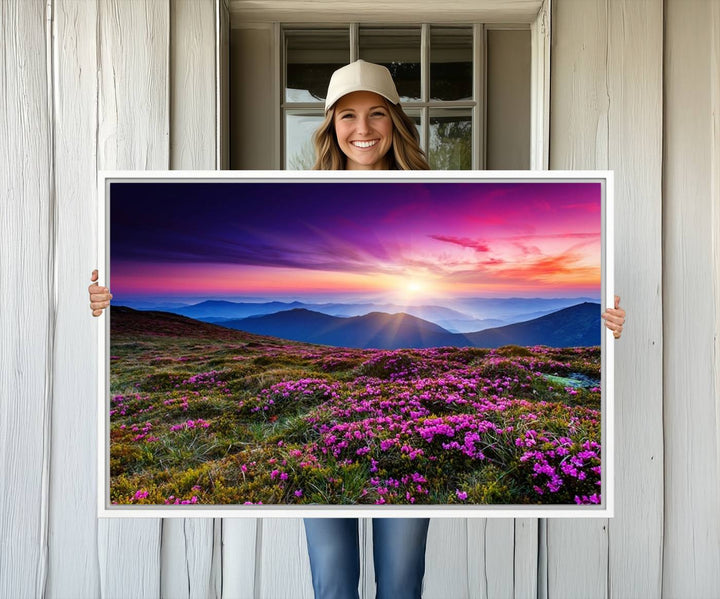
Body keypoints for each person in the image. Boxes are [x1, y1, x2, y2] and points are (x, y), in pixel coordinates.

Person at [88, 60, 627, 599]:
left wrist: (605, 325)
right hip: (335, 426)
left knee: (400, 581)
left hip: (412, 421)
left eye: (376, 114)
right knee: (333, 582)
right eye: (348, 115)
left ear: (395, 121)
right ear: (330, 125)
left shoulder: (436, 194)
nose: (362, 129)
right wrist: (111, 302)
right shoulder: (299, 198)